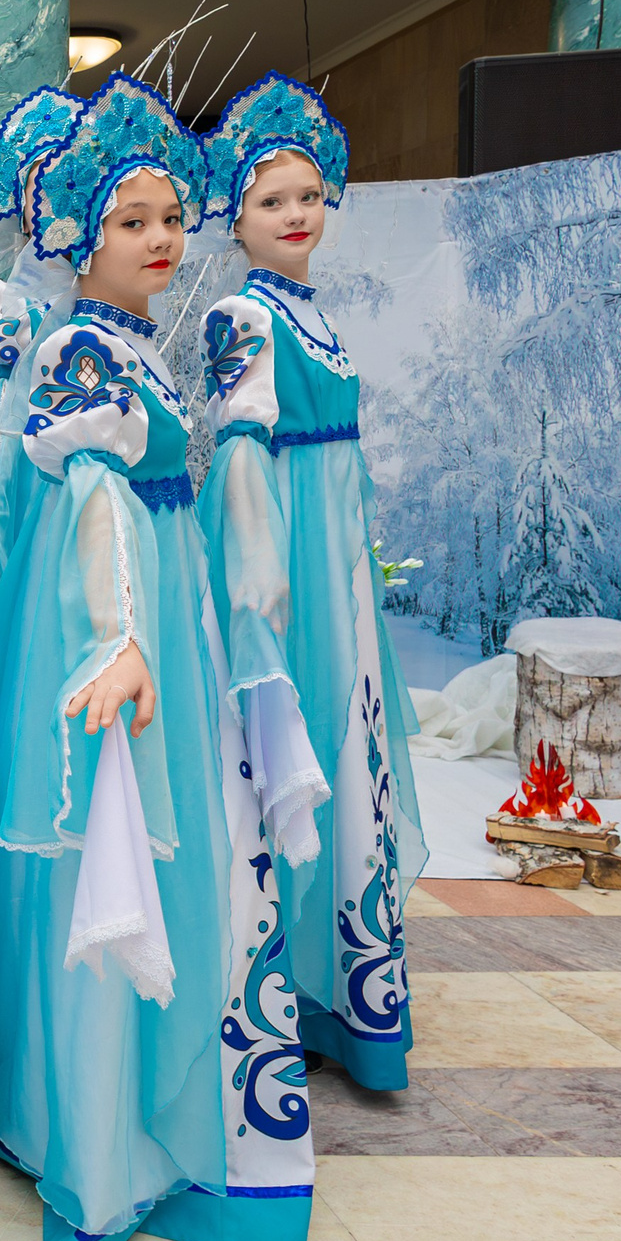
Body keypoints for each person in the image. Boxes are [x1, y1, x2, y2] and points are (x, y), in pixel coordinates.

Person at [0, 73, 313, 1241]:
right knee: (117, 861)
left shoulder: (122, 346)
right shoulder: (79, 352)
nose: (161, 239)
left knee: (150, 863)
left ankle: (108, 1122)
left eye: (169, 217)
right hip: (115, 641)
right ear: (76, 232)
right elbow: (100, 502)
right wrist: (121, 632)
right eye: (131, 221)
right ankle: (100, 1152)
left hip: (153, 633)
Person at [197, 73, 424, 1092]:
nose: (295, 215)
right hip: (286, 562)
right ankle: (287, 983)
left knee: (350, 738)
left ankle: (342, 990)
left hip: (333, 557)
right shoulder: (243, 318)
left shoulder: (307, 311)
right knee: (302, 745)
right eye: (270, 201)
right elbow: (242, 454)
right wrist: (261, 586)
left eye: (306, 196)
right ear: (234, 219)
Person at [0, 86, 84, 657]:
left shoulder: (111, 301)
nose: (55, 204)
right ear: (21, 207)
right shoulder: (6, 306)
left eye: (73, 184)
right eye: (40, 189)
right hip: (28, 497)